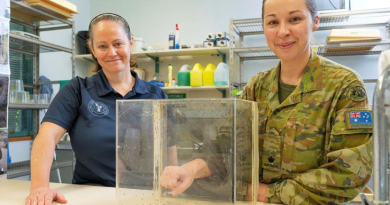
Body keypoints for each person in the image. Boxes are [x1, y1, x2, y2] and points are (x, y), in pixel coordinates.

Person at [160, 0, 373, 204]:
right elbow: (226, 149)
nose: (282, 32)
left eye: (294, 19)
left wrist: (267, 193)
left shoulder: (344, 85)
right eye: (272, 22)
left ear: (315, 21)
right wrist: (189, 170)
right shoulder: (256, 87)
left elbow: (349, 173)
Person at [25, 13, 170, 205]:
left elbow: (169, 152)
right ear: (92, 49)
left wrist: (170, 190)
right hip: (90, 195)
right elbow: (47, 136)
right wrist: (39, 187)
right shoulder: (78, 89)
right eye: (102, 46)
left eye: (118, 43)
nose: (112, 52)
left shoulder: (156, 95)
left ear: (131, 42)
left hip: (146, 196)